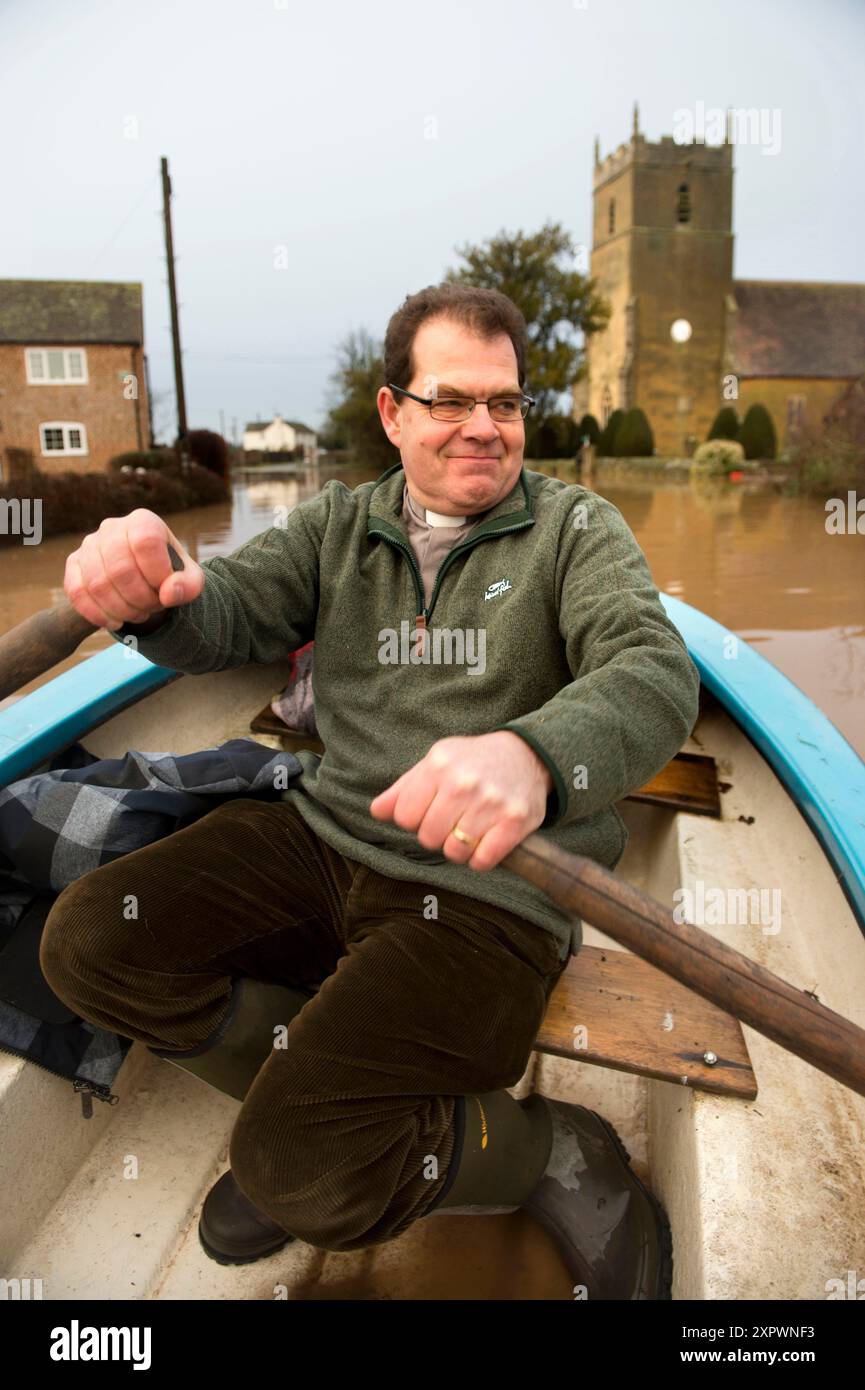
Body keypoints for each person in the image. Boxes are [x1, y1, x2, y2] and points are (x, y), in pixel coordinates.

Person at [40, 283, 699, 1298]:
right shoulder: (334, 526)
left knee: (299, 1165)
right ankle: (307, 1106)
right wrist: (152, 587)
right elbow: (219, 616)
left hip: (490, 896)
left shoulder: (577, 530)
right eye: (450, 400)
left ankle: (541, 1147)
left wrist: (532, 754)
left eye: (506, 403)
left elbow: (654, 673)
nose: (484, 426)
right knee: (89, 943)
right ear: (393, 414)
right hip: (325, 834)